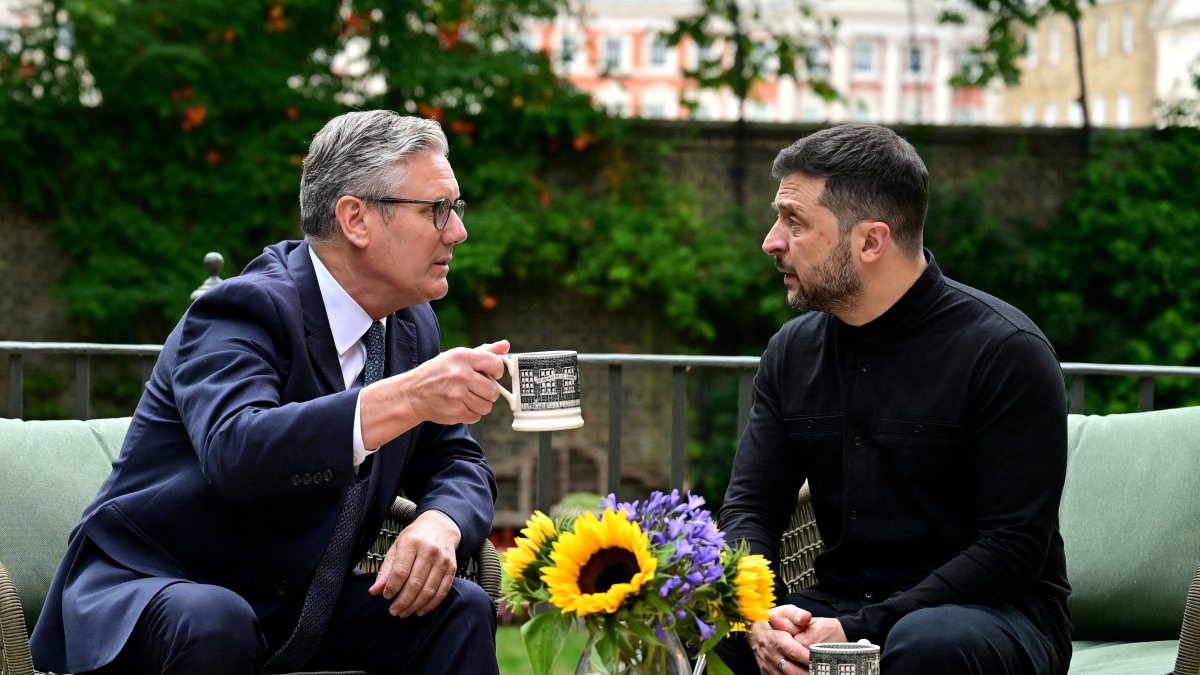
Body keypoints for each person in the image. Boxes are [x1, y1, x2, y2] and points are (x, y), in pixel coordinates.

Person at [30, 110, 507, 674]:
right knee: (215, 618)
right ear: (356, 218)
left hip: (291, 603)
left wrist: (442, 522)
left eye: (455, 210)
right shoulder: (240, 310)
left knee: (456, 609)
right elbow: (238, 450)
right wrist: (408, 397)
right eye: (436, 210)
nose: (457, 231)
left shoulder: (410, 324)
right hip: (154, 590)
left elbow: (456, 459)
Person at [715, 124, 1072, 675]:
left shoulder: (1005, 351)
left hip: (990, 616)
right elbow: (750, 509)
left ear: (871, 241)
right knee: (705, 619)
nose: (772, 241)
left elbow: (1013, 549)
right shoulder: (792, 352)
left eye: (794, 222)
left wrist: (861, 631)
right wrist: (759, 613)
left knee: (927, 642)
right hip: (837, 605)